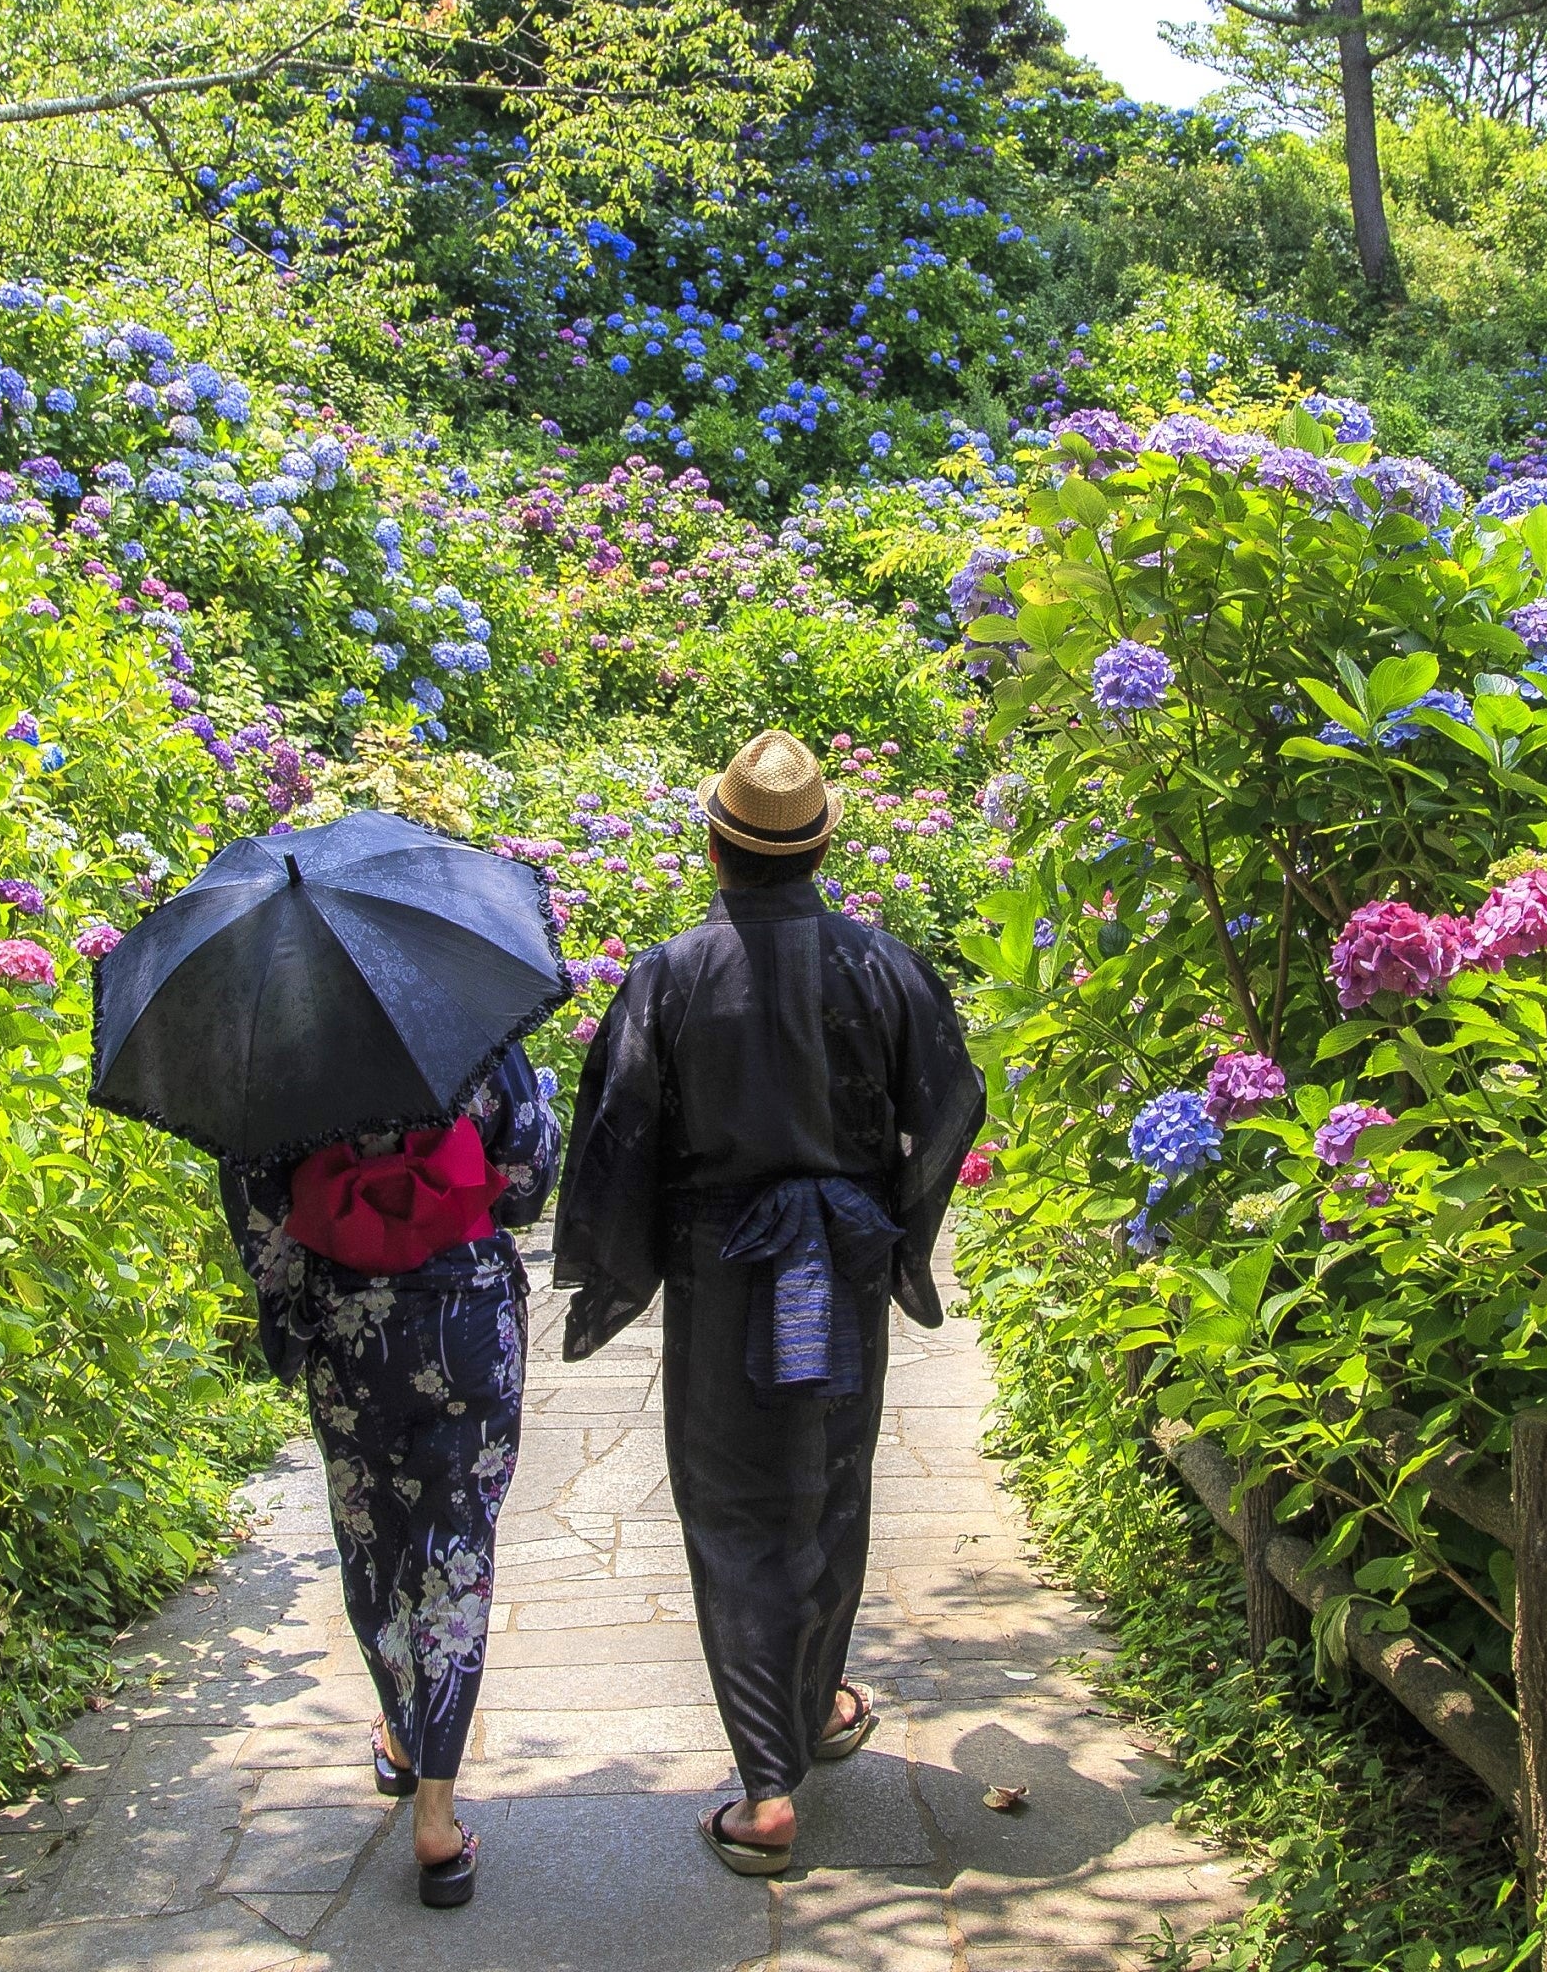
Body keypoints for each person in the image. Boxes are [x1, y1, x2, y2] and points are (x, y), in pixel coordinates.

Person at [552, 728, 985, 1876]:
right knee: (830, 1482)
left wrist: (622, 1260)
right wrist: (894, 1228)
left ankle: (767, 1785)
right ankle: (817, 1708)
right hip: (835, 1260)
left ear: (715, 845)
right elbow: (950, 1106)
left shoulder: (672, 973)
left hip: (726, 1266)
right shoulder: (885, 962)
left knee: (735, 1504)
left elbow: (618, 1130)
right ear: (821, 848)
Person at [217, 1042, 560, 1910]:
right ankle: (437, 1814)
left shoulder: (289, 1043)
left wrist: (296, 1306)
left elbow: (259, 1208)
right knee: (457, 1544)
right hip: (466, 1314)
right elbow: (523, 1182)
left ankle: (404, 1739)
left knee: (369, 1530)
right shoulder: (466, 1023)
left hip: (350, 1314)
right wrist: (540, 1099)